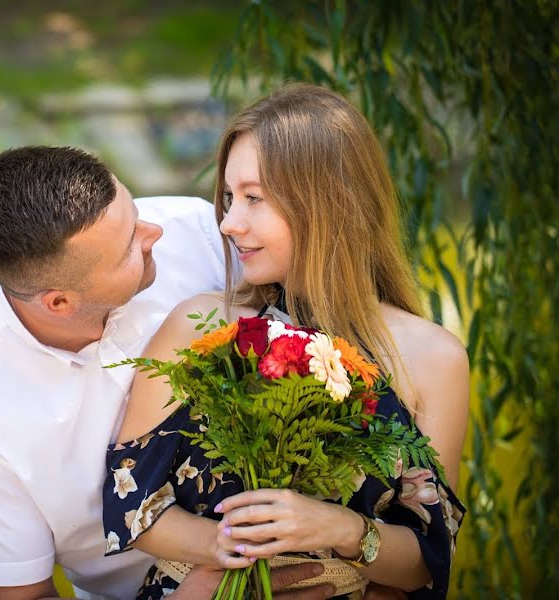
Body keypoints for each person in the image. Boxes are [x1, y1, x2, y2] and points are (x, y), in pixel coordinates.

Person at [103, 84, 469, 599]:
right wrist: (233, 550)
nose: (229, 223)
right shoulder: (199, 326)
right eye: (230, 198)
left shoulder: (435, 359)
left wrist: (339, 530)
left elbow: (428, 562)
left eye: (254, 198)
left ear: (329, 203)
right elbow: (130, 505)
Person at [0, 146, 334, 599]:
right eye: (129, 246)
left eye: (135, 211)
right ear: (59, 303)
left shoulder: (198, 234)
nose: (155, 231)